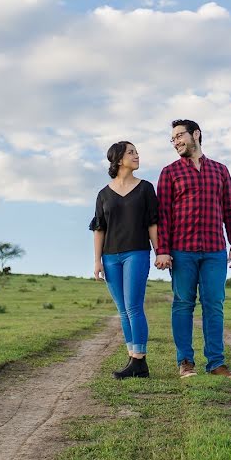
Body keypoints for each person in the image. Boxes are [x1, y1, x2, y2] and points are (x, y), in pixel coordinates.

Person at [155, 119, 231, 379]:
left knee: (214, 305)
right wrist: (163, 250)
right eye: (173, 139)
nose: (176, 142)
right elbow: (163, 215)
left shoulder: (220, 170)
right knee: (183, 304)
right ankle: (185, 362)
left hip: (215, 250)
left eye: (180, 136)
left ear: (196, 134)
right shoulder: (169, 172)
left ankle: (216, 364)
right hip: (182, 251)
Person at [90, 141, 159, 379]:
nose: (137, 155)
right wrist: (97, 261)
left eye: (137, 151)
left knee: (133, 307)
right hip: (110, 257)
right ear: (118, 159)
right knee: (123, 310)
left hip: (136, 253)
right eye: (131, 152)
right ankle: (133, 359)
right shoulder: (103, 194)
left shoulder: (146, 188)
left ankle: (140, 361)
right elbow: (99, 229)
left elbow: (153, 223)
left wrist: (160, 251)